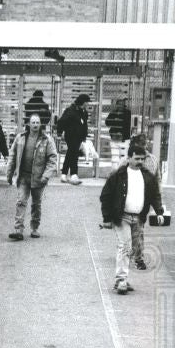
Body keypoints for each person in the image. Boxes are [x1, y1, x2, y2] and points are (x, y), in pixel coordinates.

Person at [100, 137, 164, 295]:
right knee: (125, 246)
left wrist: (159, 211)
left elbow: (155, 195)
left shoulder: (148, 176)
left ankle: (122, 279)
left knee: (133, 249)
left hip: (138, 218)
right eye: (137, 159)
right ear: (128, 158)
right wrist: (107, 218)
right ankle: (121, 279)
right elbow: (106, 195)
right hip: (122, 217)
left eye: (142, 159)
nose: (140, 161)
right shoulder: (119, 175)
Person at [5, 114, 58, 240]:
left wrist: (46, 176)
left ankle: (34, 228)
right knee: (21, 201)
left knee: (36, 204)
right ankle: (18, 230)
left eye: (37, 122)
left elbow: (52, 159)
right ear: (28, 124)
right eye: (33, 122)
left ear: (40, 124)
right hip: (23, 176)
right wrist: (9, 173)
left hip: (39, 178)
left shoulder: (46, 139)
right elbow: (13, 156)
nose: (35, 125)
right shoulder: (20, 137)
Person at [58, 93, 91, 184]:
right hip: (71, 136)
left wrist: (84, 136)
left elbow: (84, 125)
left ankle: (64, 174)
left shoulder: (84, 112)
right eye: (87, 102)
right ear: (83, 102)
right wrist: (59, 132)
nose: (88, 104)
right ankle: (73, 174)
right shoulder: (71, 110)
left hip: (79, 137)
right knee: (74, 153)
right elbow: (62, 121)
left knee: (71, 153)